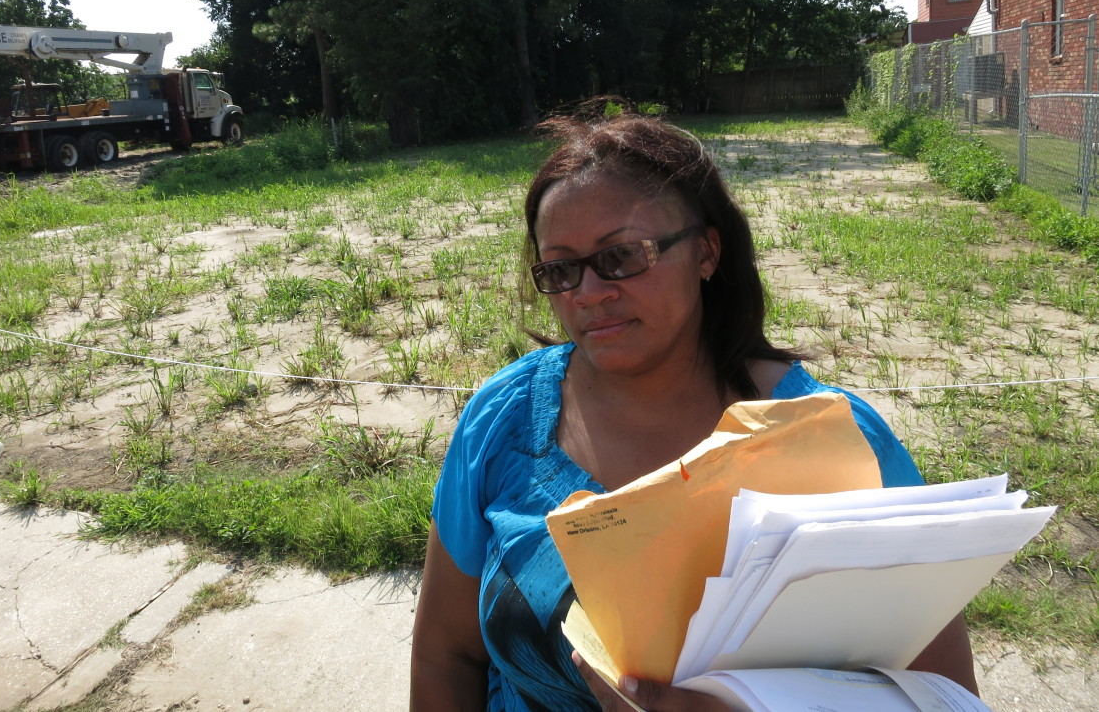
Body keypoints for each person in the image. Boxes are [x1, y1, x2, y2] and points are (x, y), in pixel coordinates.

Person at [410, 115, 977, 711]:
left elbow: (943, 694)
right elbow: (447, 653)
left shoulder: (840, 446)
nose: (588, 293)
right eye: (560, 269)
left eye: (622, 256)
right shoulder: (501, 419)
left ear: (706, 251)